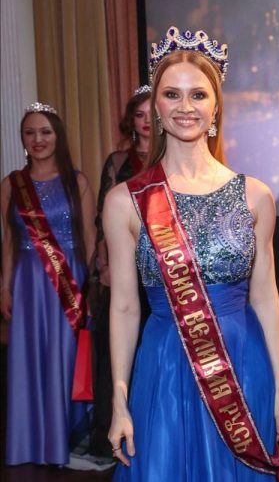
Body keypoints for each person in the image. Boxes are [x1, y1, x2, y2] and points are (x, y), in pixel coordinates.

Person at [105, 27, 279, 481]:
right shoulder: (125, 201)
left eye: (198, 94)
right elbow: (125, 307)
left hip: (241, 365)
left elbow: (265, 296)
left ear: (215, 107)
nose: (185, 106)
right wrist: (119, 398)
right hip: (163, 367)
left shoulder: (255, 195)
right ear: (155, 106)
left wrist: (278, 383)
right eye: (172, 94)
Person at [1, 103, 96, 466]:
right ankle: (29, 445)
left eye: (45, 132)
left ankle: (63, 443)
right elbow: (9, 242)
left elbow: (88, 238)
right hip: (27, 282)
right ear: (22, 139)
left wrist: (90, 289)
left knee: (65, 357)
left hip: (68, 281)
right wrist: (4, 287)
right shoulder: (11, 184)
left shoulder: (77, 181)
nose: (37, 139)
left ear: (58, 136)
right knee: (29, 360)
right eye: (30, 133)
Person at [89, 84, 152, 459]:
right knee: (115, 354)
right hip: (123, 267)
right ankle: (108, 437)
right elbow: (102, 220)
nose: (145, 122)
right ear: (131, 120)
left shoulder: (172, 158)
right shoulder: (117, 162)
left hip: (160, 271)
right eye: (139, 115)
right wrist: (104, 266)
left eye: (150, 114)